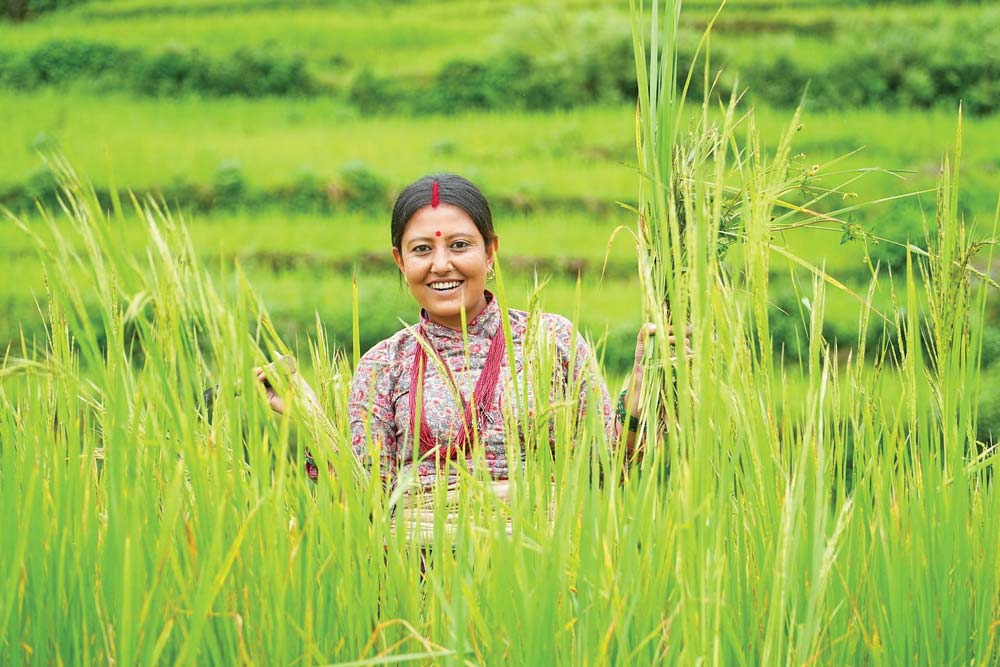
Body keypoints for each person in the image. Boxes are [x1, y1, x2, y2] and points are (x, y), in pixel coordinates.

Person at [257, 173, 658, 505]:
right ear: (400, 260)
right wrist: (305, 414)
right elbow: (363, 499)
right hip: (421, 580)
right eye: (422, 249)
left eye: (460, 245)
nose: (441, 264)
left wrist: (638, 395)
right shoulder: (384, 364)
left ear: (490, 252)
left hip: (544, 574)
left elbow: (606, 472)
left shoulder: (551, 339)